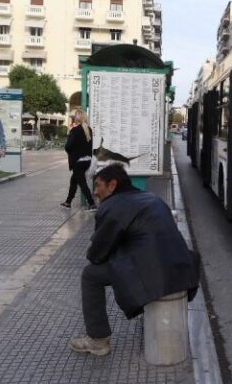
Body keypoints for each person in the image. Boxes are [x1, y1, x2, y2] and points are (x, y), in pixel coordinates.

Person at [69, 165, 200, 356]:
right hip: (182, 269)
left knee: (90, 275)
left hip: (155, 275)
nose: (95, 192)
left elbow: (96, 255)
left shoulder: (112, 206)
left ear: (112, 185)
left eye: (98, 186)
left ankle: (97, 340)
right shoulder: (152, 198)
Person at [61, 109, 96, 211]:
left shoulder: (75, 130)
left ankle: (92, 204)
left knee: (82, 183)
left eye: (75, 115)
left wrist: (70, 152)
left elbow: (68, 146)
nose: (74, 117)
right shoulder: (89, 129)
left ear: (78, 118)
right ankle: (68, 202)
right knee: (74, 181)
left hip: (78, 161)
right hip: (87, 160)